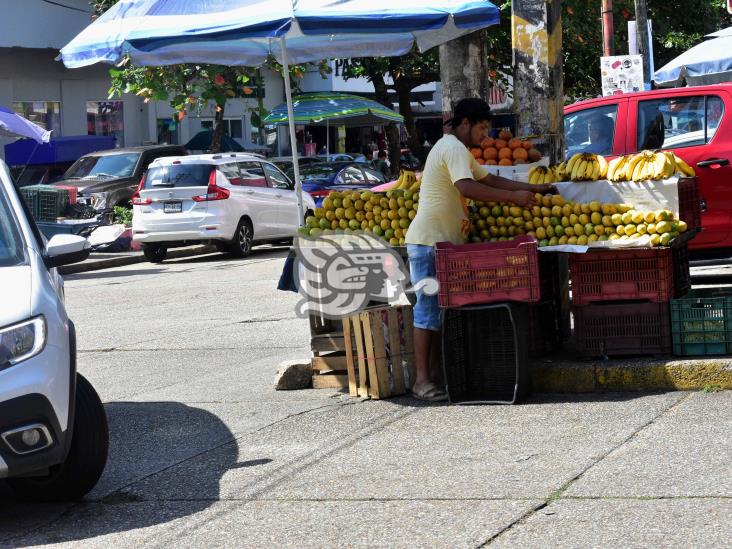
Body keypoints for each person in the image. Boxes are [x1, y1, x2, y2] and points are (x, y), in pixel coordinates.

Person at [404, 98, 555, 402]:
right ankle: (421, 381)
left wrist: (535, 189)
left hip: (442, 244)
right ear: (465, 124)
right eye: (482, 128)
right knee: (427, 312)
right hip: (427, 241)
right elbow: (468, 188)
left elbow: (490, 178)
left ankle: (434, 376)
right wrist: (515, 200)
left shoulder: (460, 151)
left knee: (436, 313)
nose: (486, 135)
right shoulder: (452, 148)